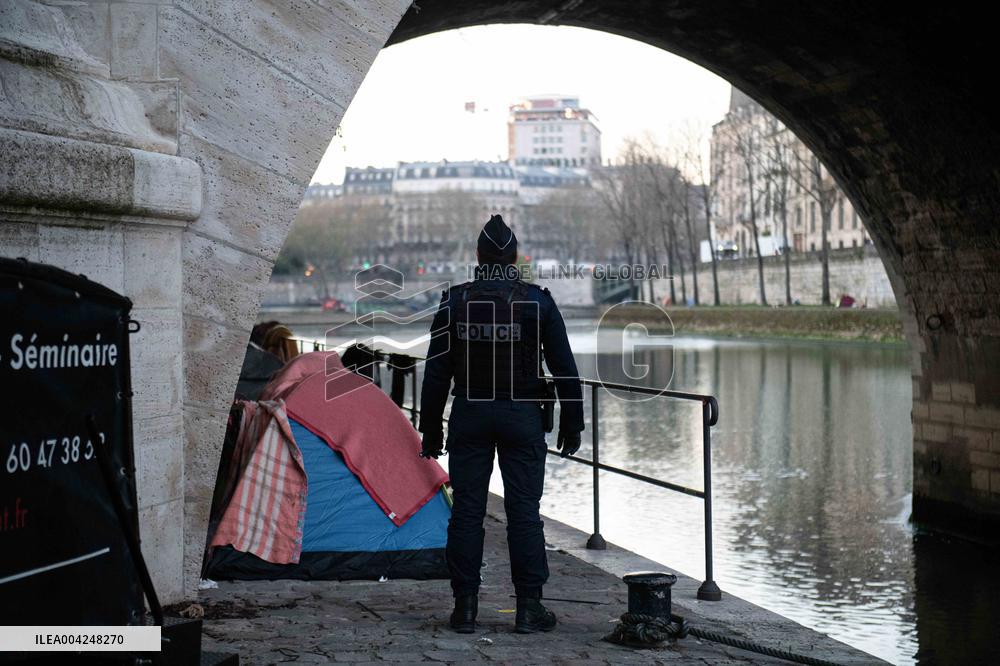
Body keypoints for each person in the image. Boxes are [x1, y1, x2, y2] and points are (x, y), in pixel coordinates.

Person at [418, 214, 584, 635]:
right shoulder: (538, 302)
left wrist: (431, 429)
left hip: (470, 414)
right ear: (515, 258)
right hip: (522, 416)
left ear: (478, 257)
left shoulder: (454, 302)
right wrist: (573, 421)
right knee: (524, 513)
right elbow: (565, 367)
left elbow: (436, 374)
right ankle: (529, 609)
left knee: (467, 514)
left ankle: (465, 609)